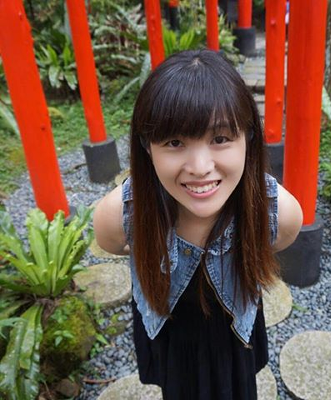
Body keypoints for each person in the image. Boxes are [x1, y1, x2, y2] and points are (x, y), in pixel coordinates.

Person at [93, 50, 303, 400]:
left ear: (248, 137)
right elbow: (113, 243)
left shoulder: (276, 211)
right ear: (147, 147)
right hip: (171, 334)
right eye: (175, 142)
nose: (200, 167)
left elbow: (278, 238)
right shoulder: (121, 214)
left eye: (220, 139)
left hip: (233, 332)